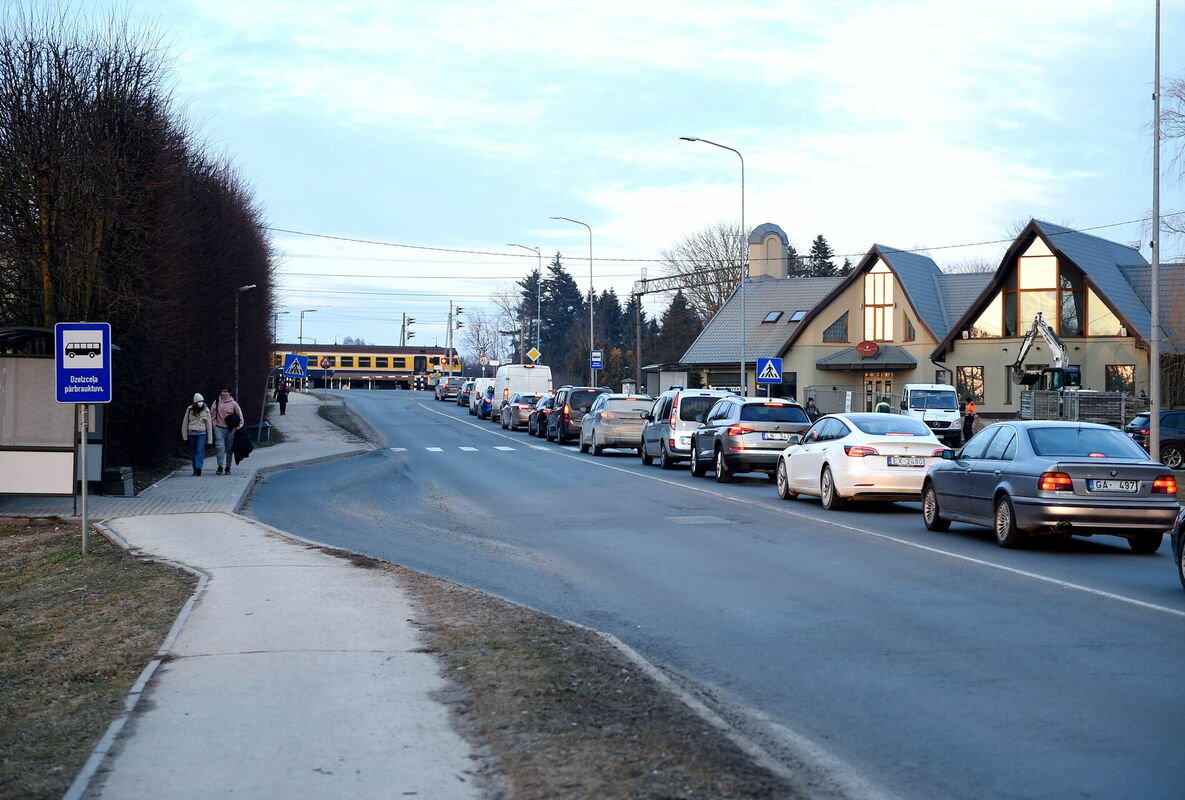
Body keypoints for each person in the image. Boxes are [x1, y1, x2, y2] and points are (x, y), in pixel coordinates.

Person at [210, 386, 244, 475]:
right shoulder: (216, 402)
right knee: (220, 447)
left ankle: (228, 466)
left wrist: (238, 427)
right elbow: (212, 414)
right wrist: (214, 425)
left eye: (225, 391)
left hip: (230, 430)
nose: (223, 393)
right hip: (219, 428)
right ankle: (220, 467)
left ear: (229, 393)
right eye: (222, 391)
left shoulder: (234, 404)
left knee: (229, 449)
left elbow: (240, 416)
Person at [180, 393, 213, 476]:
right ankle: (195, 469)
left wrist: (210, 439)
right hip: (191, 433)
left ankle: (199, 467)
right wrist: (185, 436)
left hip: (202, 433)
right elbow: (185, 423)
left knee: (199, 450)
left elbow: (209, 425)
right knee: (192, 452)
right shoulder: (190, 409)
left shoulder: (206, 410)